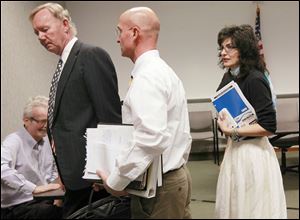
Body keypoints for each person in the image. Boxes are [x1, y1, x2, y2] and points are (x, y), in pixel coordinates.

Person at [96, 7, 192, 219]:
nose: (118, 39)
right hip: (173, 178)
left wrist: (115, 181)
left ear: (134, 33)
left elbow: (151, 138)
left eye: (119, 31)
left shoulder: (147, 77)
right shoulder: (162, 71)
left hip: (161, 188)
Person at [29, 3, 122, 218]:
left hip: (93, 179)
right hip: (72, 176)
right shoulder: (63, 63)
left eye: (45, 29)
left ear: (64, 24)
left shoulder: (90, 55)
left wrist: (105, 172)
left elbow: (110, 119)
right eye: (36, 33)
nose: (41, 37)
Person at [214, 24, 287, 219]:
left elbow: (268, 126)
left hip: (253, 153)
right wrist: (223, 123)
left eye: (230, 47)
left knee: (253, 209)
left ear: (244, 50)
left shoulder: (255, 78)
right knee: (235, 207)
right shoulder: (228, 77)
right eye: (222, 47)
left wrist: (233, 132)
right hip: (234, 150)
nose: (223, 52)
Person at [1, 96, 62, 219]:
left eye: (48, 121)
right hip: (17, 206)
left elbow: (52, 174)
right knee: (56, 213)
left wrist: (58, 195)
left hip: (43, 200)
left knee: (76, 205)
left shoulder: (46, 141)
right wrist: (33, 188)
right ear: (26, 120)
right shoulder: (13, 141)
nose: (46, 126)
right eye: (41, 121)